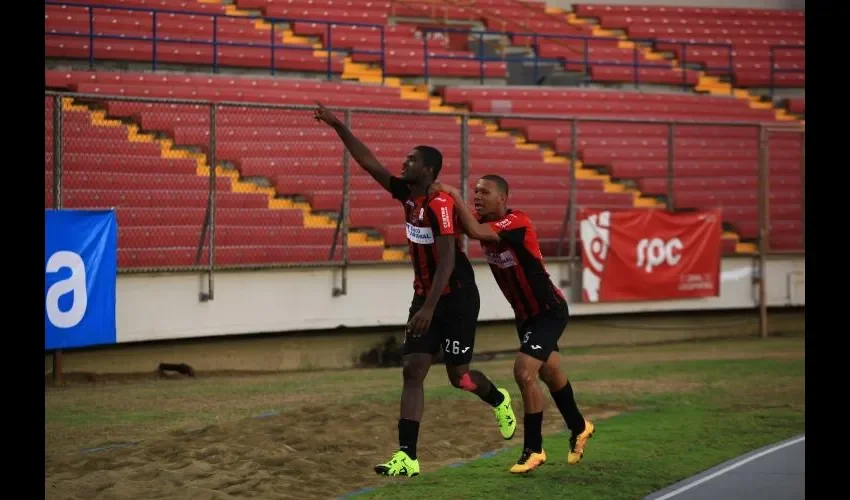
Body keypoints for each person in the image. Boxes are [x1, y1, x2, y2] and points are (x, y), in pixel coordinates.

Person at [313, 103, 517, 478]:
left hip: (455, 298)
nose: (403, 164)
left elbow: (447, 262)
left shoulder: (439, 205)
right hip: (426, 295)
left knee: (461, 378)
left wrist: (428, 309)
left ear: (428, 170)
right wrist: (338, 125)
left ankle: (499, 398)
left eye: (411, 160)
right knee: (413, 368)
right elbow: (369, 163)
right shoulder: (407, 195)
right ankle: (407, 455)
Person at [429, 174, 595, 474]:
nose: (477, 196)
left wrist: (452, 192)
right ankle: (580, 426)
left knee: (523, 371)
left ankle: (534, 449)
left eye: (484, 192)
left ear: (502, 199)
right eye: (475, 192)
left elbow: (475, 230)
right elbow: (465, 224)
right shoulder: (486, 222)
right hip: (526, 316)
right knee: (551, 370)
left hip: (548, 311)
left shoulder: (516, 222)